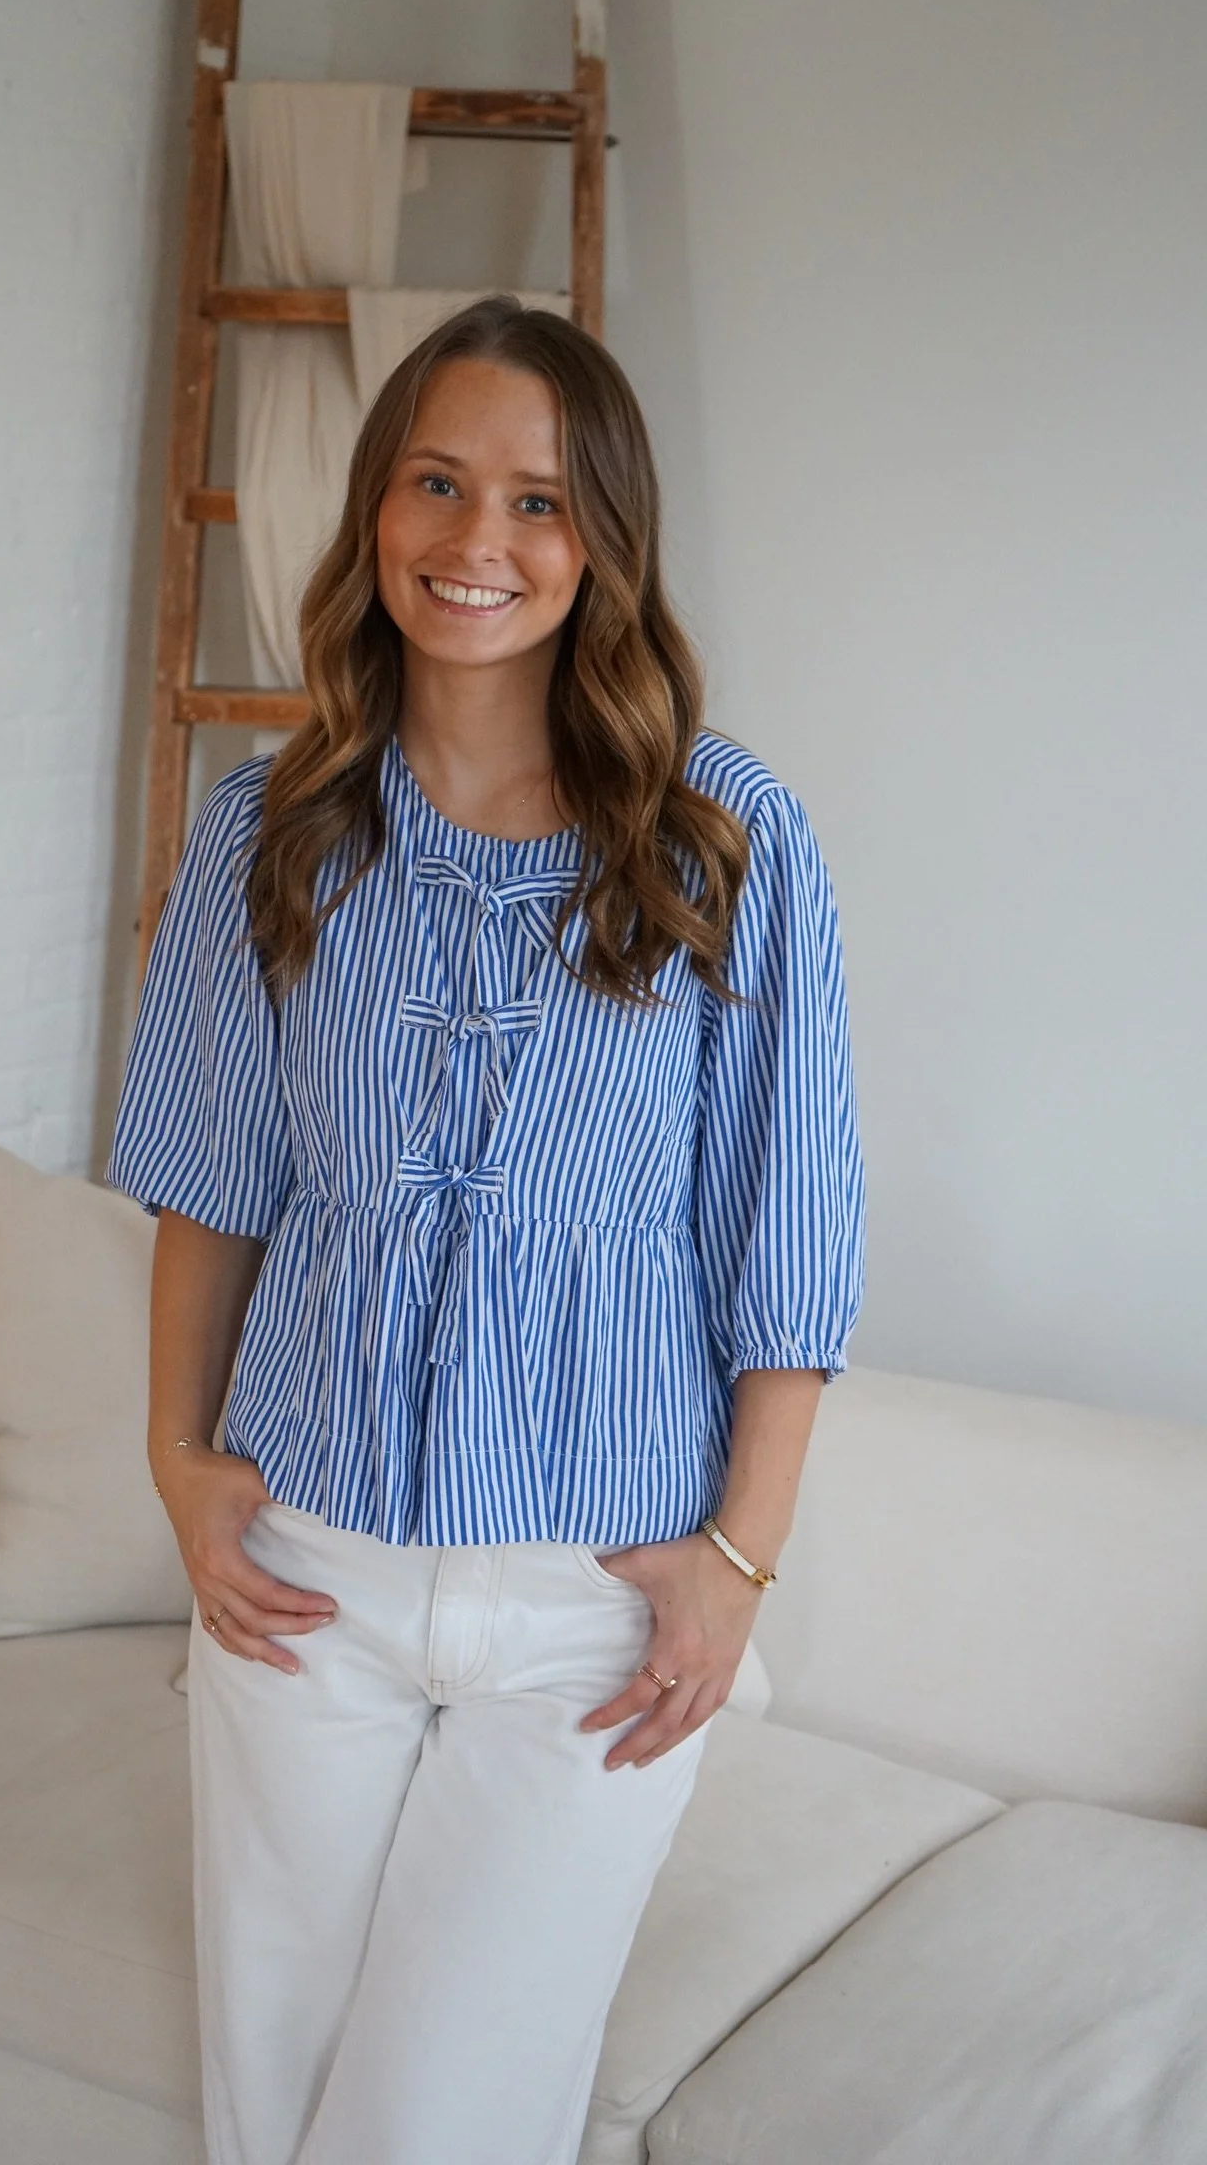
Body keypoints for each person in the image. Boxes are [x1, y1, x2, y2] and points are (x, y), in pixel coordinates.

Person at [106, 293, 865, 2165]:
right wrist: (181, 1467)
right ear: (376, 509)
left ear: (604, 538)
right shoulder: (272, 827)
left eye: (536, 500)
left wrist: (736, 1565)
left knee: (444, 2119)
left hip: (592, 1607)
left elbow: (792, 1243)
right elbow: (213, 1182)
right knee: (267, 2090)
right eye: (438, 484)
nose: (478, 543)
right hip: (304, 1573)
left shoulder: (724, 841)